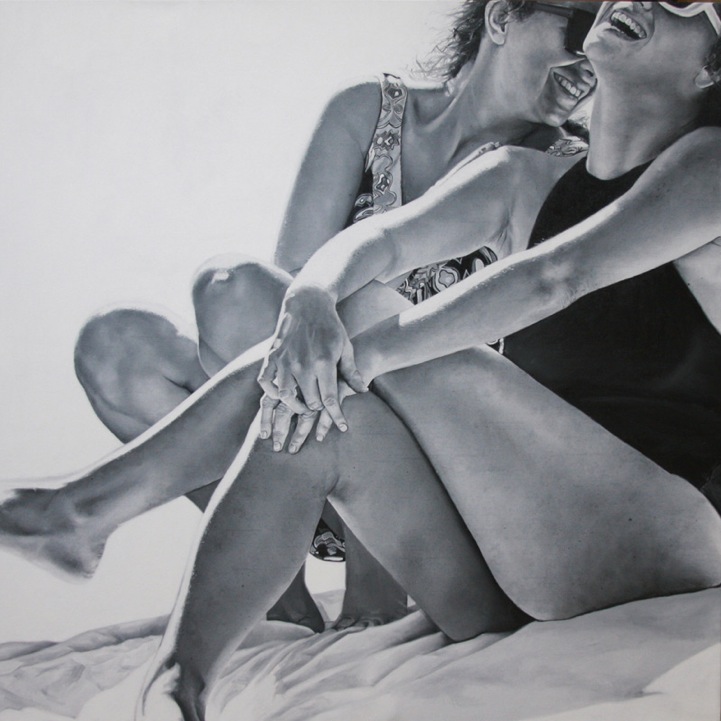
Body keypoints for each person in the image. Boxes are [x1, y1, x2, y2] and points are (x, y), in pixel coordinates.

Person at [119, 2, 721, 718]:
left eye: (684, 0)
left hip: (660, 538)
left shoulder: (710, 163)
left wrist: (362, 351)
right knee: (321, 425)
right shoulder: (522, 177)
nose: (638, 0)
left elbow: (555, 275)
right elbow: (381, 241)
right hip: (515, 560)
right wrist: (310, 293)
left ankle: (92, 506)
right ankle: (178, 682)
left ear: (711, 67)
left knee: (359, 337)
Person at [64, 0, 597, 629]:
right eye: (583, 26)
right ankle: (277, 597)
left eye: (614, 36)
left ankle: (374, 598)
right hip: (306, 445)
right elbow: (290, 301)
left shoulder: (563, 168)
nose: (595, 59)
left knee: (331, 312)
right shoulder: (368, 110)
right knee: (140, 333)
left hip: (446, 479)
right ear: (503, 16)